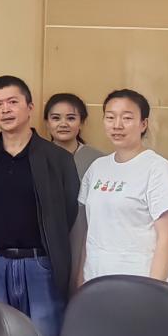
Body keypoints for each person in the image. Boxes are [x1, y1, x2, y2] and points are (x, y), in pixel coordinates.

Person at [0, 75, 79, 336]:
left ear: (29, 107)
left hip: (40, 265)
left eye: (12, 102)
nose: (5, 110)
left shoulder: (57, 159)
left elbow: (68, 212)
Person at [79, 89, 168, 284]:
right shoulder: (97, 167)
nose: (117, 125)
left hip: (139, 281)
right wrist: (80, 277)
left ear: (143, 124)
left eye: (127, 118)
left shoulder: (157, 168)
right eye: (110, 117)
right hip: (96, 279)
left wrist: (152, 288)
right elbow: (88, 231)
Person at [44, 92, 106, 289]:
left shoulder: (98, 161)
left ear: (82, 122)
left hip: (85, 240)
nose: (63, 124)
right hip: (45, 244)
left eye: (71, 118)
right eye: (56, 118)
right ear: (47, 122)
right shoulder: (36, 157)